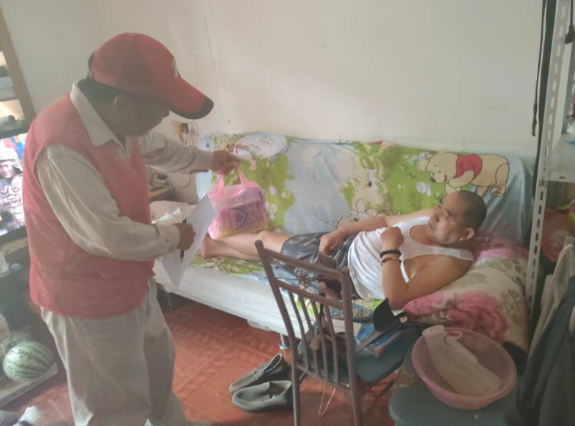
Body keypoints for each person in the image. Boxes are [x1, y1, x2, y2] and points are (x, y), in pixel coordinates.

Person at [22, 34, 239, 426]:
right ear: (123, 104)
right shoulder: (60, 145)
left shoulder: (117, 120)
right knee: (114, 411)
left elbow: (157, 147)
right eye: (161, 109)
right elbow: (107, 235)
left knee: (156, 380)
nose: (164, 116)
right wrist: (174, 236)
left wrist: (209, 160)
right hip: (85, 300)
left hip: (130, 280)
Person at [201, 191, 487, 309]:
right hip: (344, 244)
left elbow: (397, 299)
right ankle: (213, 248)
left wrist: (390, 250)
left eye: (446, 215)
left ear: (466, 234)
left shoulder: (452, 261)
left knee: (264, 239)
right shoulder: (428, 216)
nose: (435, 215)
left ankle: (210, 240)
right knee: (271, 251)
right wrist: (342, 231)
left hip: (342, 273)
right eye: (439, 205)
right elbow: (385, 221)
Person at [0, 144, 24, 229]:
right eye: (0, 167)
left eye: (6, 165)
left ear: (14, 164)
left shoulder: (25, 181)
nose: (4, 170)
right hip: (13, 229)